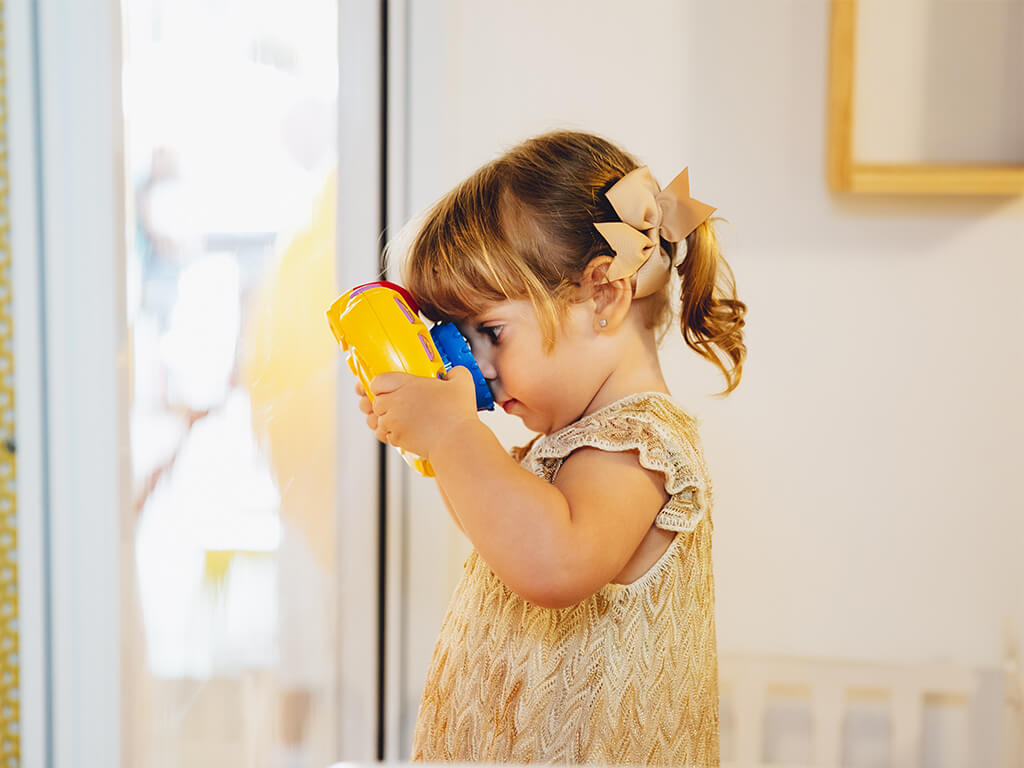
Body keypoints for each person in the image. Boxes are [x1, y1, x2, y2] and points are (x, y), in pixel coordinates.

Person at [355, 130, 746, 765]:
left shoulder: (638, 445)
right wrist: (435, 444)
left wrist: (455, 435)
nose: (475, 367)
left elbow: (551, 566)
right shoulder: (566, 447)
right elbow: (500, 541)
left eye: (490, 331)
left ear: (603, 295)